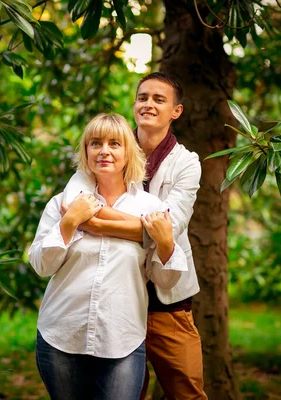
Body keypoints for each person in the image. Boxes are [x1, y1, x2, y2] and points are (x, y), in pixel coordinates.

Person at [61, 72, 207, 400]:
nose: (148, 104)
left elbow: (169, 227)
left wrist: (95, 223)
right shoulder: (107, 147)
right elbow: (75, 205)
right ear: (134, 104)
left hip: (168, 301)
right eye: (143, 97)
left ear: (176, 111)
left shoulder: (187, 163)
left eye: (159, 99)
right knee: (122, 394)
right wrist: (144, 228)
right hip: (118, 297)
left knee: (188, 393)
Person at [28, 113, 188, 400]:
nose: (104, 151)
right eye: (95, 143)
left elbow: (166, 281)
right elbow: (41, 265)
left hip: (122, 339)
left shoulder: (150, 207)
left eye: (115, 144)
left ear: (128, 152)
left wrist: (166, 244)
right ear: (85, 151)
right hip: (61, 335)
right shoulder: (63, 204)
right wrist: (68, 223)